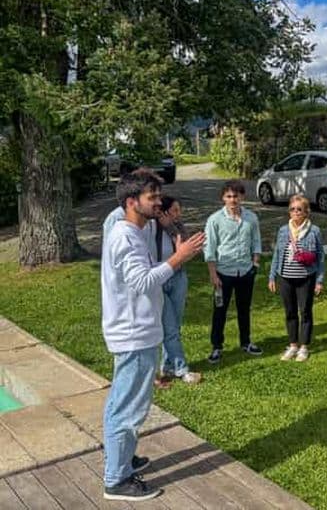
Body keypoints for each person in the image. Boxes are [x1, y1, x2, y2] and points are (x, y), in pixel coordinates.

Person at [101, 170, 205, 501]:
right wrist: (179, 258)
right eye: (152, 197)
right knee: (129, 408)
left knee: (121, 400)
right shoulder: (125, 236)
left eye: (159, 196)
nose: (159, 202)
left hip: (136, 331)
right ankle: (117, 479)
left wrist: (170, 234)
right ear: (132, 202)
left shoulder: (133, 227)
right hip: (134, 334)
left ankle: (121, 457)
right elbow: (144, 281)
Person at [204, 180, 263, 364]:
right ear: (223, 198)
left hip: (245, 271)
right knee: (220, 310)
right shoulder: (215, 220)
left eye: (236, 196)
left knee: (244, 309)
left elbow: (256, 242)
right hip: (223, 273)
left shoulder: (251, 218)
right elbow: (210, 249)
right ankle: (216, 347)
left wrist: (255, 264)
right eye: (229, 196)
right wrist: (213, 275)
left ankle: (246, 342)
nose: (232, 200)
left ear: (242, 197)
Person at [268, 195, 325, 362]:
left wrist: (319, 280)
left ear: (306, 212)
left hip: (306, 278)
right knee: (290, 312)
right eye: (292, 209)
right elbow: (277, 254)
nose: (295, 212)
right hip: (285, 277)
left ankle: (304, 346)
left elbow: (320, 257)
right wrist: (272, 276)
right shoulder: (283, 231)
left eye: (299, 209)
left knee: (305, 311)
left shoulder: (314, 231)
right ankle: (293, 344)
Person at [155, 196, 201, 386]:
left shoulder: (178, 227)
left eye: (178, 210)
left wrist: (170, 227)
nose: (178, 214)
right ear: (163, 211)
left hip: (178, 278)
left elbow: (185, 251)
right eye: (174, 210)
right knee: (170, 326)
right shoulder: (151, 228)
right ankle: (182, 369)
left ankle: (167, 366)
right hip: (158, 280)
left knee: (174, 325)